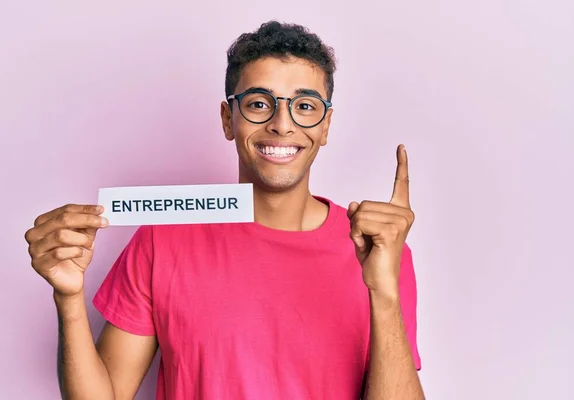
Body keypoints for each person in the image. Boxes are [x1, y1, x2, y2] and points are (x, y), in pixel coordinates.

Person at [25, 20, 425, 400]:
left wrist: (384, 293)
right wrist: (68, 299)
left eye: (304, 106)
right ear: (227, 119)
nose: (282, 124)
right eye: (258, 103)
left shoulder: (380, 253)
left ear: (325, 125)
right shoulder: (161, 240)